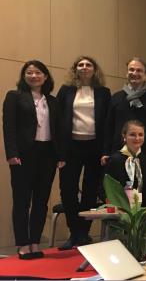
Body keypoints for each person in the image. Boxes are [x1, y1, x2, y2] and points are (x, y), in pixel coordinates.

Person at [3, 60, 64, 260]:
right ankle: (22, 243)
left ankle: (35, 242)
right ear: (24, 76)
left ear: (45, 77)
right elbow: (9, 127)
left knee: (41, 201)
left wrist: (61, 156)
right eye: (29, 72)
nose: (33, 76)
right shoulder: (14, 97)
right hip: (23, 155)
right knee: (22, 201)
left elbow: (59, 131)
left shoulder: (53, 101)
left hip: (47, 154)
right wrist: (11, 154)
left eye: (38, 72)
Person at [57, 56, 111, 250]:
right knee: (68, 189)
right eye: (80, 64)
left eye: (88, 65)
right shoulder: (66, 91)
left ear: (94, 69)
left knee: (90, 191)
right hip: (71, 147)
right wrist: (59, 153)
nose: (84, 67)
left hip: (94, 148)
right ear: (75, 69)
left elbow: (107, 123)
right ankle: (74, 232)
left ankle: (84, 233)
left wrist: (106, 151)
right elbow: (58, 121)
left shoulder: (104, 93)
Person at [103, 57, 146, 166]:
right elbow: (108, 128)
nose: (134, 73)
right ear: (126, 73)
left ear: (145, 75)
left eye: (139, 70)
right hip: (118, 153)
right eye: (131, 70)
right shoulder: (116, 97)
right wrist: (105, 152)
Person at [104, 120, 146, 207]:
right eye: (132, 135)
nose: (137, 138)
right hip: (121, 210)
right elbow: (106, 188)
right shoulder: (115, 160)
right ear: (124, 136)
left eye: (141, 135)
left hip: (144, 210)